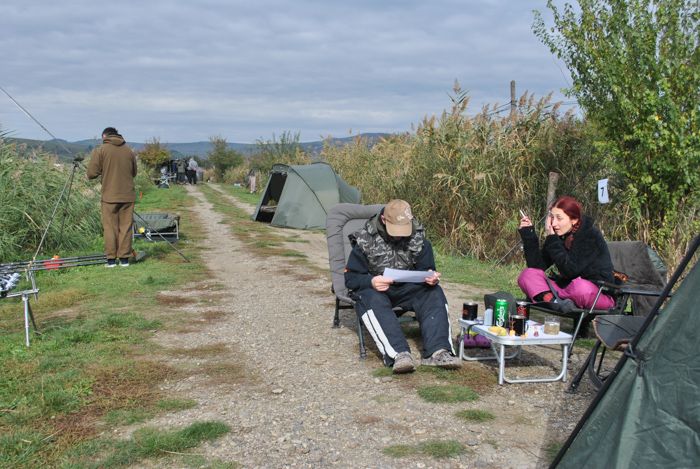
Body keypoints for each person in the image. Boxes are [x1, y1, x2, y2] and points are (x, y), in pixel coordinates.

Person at [345, 199, 461, 373]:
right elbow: (351, 278)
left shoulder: (419, 238)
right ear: (384, 220)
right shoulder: (364, 240)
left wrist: (431, 277)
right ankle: (399, 354)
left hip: (409, 288)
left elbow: (427, 269)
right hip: (379, 290)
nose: (400, 236)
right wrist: (371, 281)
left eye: (404, 229)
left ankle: (438, 352)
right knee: (369, 297)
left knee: (434, 292)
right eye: (395, 230)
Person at [517, 196, 615, 310]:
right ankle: (554, 302)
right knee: (527, 275)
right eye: (552, 218)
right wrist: (529, 234)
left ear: (574, 220)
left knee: (580, 287)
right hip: (566, 290)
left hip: (596, 293)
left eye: (559, 218)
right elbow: (536, 266)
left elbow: (570, 270)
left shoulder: (590, 236)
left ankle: (556, 300)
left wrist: (553, 239)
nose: (554, 224)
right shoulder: (559, 235)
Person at [87, 127, 138, 267]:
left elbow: (91, 174)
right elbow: (134, 173)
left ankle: (111, 260)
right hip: (128, 196)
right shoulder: (129, 151)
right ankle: (124, 260)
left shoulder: (101, 150)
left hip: (109, 196)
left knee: (110, 227)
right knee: (125, 227)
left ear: (104, 136)